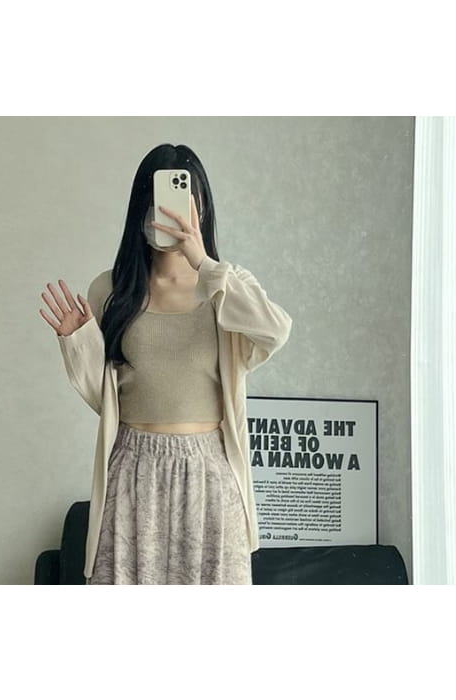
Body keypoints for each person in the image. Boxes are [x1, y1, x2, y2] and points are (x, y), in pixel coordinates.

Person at [39, 143, 293, 584]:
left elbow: (275, 331)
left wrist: (204, 263)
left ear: (201, 210)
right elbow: (106, 401)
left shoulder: (227, 286)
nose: (169, 216)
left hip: (210, 473)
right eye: (158, 203)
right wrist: (77, 343)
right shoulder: (111, 291)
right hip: (132, 470)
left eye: (182, 204)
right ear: (141, 209)